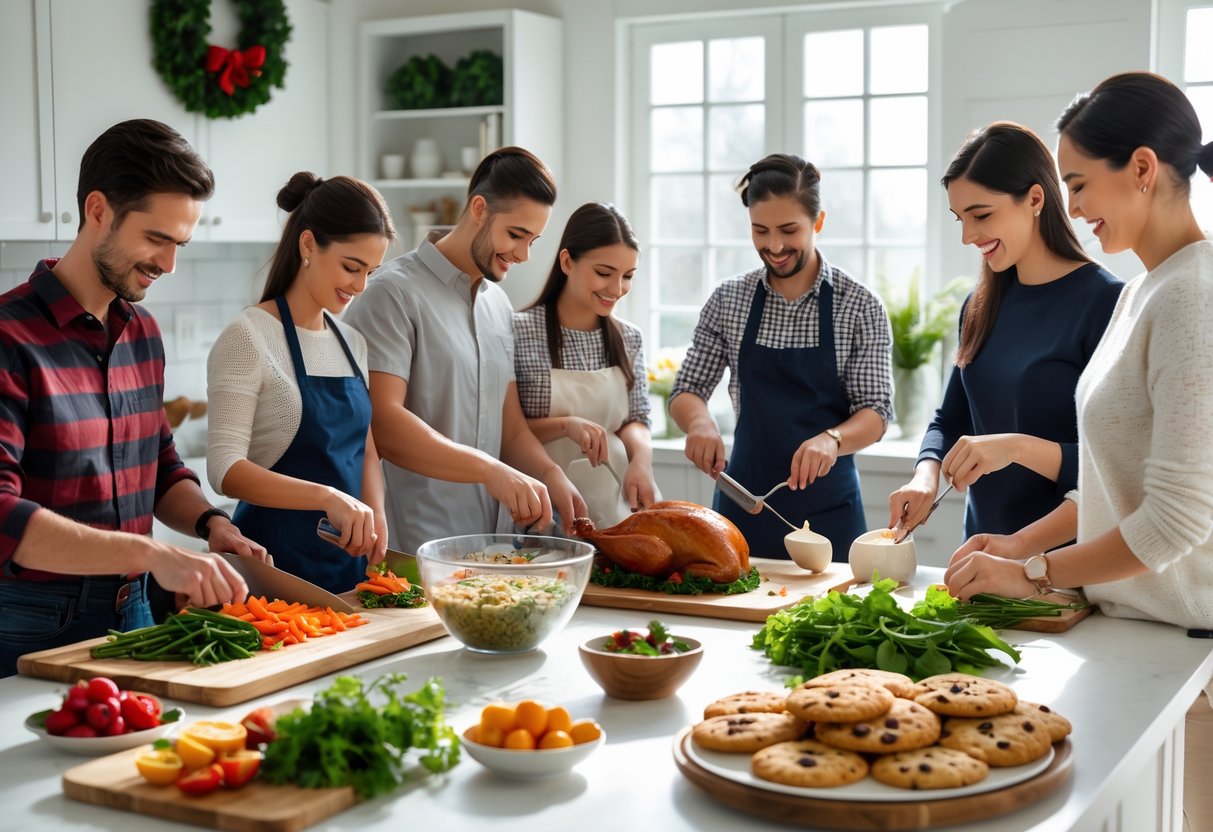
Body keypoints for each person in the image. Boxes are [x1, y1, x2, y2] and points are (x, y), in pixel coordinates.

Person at [940, 72, 1213, 832]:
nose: (1072, 205)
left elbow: (1175, 523)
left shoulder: (1195, 295)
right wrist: (1020, 543)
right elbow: (1110, 484)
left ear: (1141, 168)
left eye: (1078, 183)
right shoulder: (1142, 293)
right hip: (1128, 638)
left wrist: (1031, 573)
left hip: (1187, 656)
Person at [0, 119, 265, 677]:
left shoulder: (141, 332)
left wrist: (210, 525)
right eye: (156, 238)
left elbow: (159, 464)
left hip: (136, 612)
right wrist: (147, 553)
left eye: (180, 245)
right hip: (29, 623)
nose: (169, 265)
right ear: (98, 210)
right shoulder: (9, 337)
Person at [343, 146, 587, 553]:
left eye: (533, 240)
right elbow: (382, 423)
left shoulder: (497, 305)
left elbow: (509, 428)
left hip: (496, 546)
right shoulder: (391, 292)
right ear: (479, 208)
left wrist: (550, 474)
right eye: (515, 235)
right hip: (418, 546)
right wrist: (491, 471)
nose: (524, 254)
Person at [888, 123, 1122, 543]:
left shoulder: (1105, 303)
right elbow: (950, 418)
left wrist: (1015, 447)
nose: (967, 236)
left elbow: (1114, 465)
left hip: (1059, 563)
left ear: (1034, 199)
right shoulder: (978, 306)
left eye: (981, 215)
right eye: (960, 219)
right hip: (980, 551)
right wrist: (926, 475)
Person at [670, 153, 894, 560]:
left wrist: (833, 438)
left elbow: (876, 412)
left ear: (818, 222)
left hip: (830, 516)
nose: (774, 246)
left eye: (789, 230)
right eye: (760, 230)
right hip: (743, 506)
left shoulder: (859, 305)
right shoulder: (728, 300)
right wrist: (699, 422)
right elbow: (687, 388)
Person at [206, 173, 394, 593]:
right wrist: (328, 497)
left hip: (346, 566)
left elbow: (364, 447)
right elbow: (225, 469)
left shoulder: (352, 342)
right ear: (308, 244)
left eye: (370, 271)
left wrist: (376, 512)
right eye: (351, 267)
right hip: (269, 567)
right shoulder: (248, 336)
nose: (360, 286)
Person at [514, 203, 659, 526]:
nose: (616, 288)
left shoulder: (629, 337)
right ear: (567, 261)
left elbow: (636, 418)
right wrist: (566, 424)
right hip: (540, 507)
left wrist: (642, 462)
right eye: (604, 273)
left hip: (617, 504)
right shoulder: (519, 331)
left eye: (628, 276)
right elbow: (507, 431)